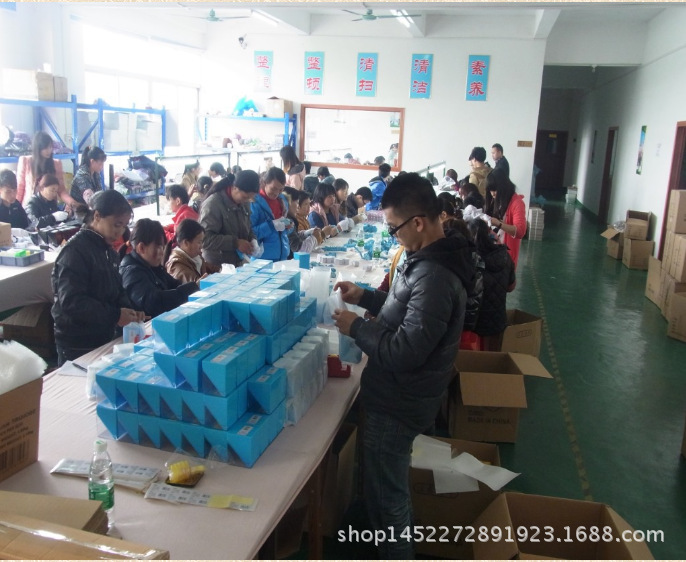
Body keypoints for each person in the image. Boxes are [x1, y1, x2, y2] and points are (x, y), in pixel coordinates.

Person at [331, 172, 475, 559]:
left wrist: (356, 327)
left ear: (418, 222)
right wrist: (364, 297)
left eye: (394, 228)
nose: (393, 236)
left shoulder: (435, 276)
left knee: (388, 499)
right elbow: (405, 313)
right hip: (404, 395)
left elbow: (405, 351)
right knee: (387, 491)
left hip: (398, 402)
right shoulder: (428, 259)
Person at [51, 190, 143, 365]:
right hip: (78, 343)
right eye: (117, 225)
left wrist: (129, 310)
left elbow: (117, 289)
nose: (120, 232)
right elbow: (71, 302)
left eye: (124, 226)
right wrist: (115, 315)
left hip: (103, 335)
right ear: (97, 216)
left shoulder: (108, 250)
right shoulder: (74, 252)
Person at [120, 218, 199, 318]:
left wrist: (194, 287)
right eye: (158, 247)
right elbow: (154, 303)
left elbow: (174, 284)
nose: (162, 252)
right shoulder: (131, 272)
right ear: (141, 248)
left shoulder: (153, 266)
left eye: (163, 247)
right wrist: (192, 288)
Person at [467, 217, 515, 350]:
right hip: (497, 320)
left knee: (476, 357)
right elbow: (511, 287)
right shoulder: (505, 256)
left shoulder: (470, 260)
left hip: (474, 322)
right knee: (493, 355)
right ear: (489, 233)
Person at [200, 172, 257, 268]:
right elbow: (205, 239)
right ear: (234, 188)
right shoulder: (213, 204)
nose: (247, 200)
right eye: (245, 197)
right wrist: (236, 243)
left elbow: (248, 225)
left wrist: (252, 239)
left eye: (250, 198)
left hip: (238, 261)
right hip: (217, 265)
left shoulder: (244, 202)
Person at [16, 131, 76, 207]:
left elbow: (61, 190)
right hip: (30, 206)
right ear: (38, 148)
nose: (49, 150)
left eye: (50, 147)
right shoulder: (25, 161)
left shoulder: (56, 164)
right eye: (45, 148)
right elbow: (20, 189)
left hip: (50, 206)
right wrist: (16, 208)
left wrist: (72, 203)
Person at [484, 168, 527, 269]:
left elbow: (520, 231)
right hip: (495, 252)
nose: (492, 193)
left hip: (506, 257)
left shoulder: (517, 203)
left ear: (503, 187)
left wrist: (499, 224)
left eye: (495, 190)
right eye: (490, 190)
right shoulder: (497, 200)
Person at [251, 167, 293, 262]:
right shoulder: (254, 203)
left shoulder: (282, 201)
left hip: (282, 255)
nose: (276, 193)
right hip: (262, 259)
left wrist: (288, 226)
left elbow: (282, 231)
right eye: (273, 188)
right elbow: (250, 234)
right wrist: (271, 225)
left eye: (280, 190)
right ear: (264, 183)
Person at [166, 218, 218, 284]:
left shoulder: (195, 256)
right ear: (186, 243)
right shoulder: (177, 266)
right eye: (199, 242)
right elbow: (195, 285)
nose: (201, 246)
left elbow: (210, 268)